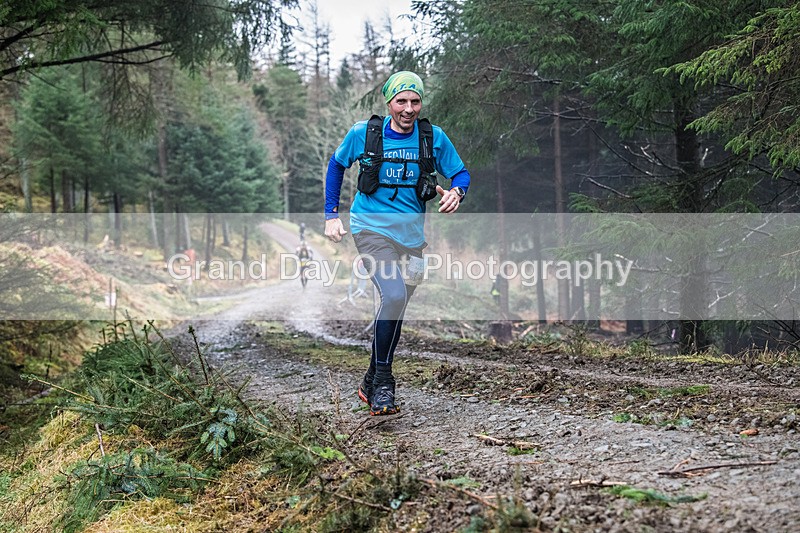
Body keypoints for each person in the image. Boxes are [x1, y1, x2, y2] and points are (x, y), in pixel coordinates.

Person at [324, 71, 470, 416]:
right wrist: (332, 214)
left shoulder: (433, 138)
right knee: (393, 295)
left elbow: (461, 173)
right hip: (370, 228)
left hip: (412, 238)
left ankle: (370, 379)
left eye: (415, 101)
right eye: (401, 101)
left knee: (398, 306)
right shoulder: (364, 133)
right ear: (389, 102)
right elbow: (336, 164)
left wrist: (457, 193)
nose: (408, 109)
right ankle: (385, 383)